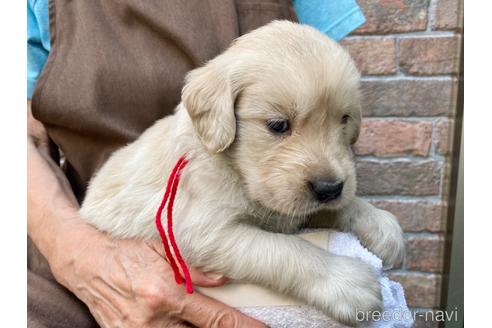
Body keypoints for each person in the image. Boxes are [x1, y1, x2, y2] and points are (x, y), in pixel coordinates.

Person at [27, 0, 365, 327]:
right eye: (279, 125)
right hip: (76, 239)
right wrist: (76, 251)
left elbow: (327, 93)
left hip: (263, 240)